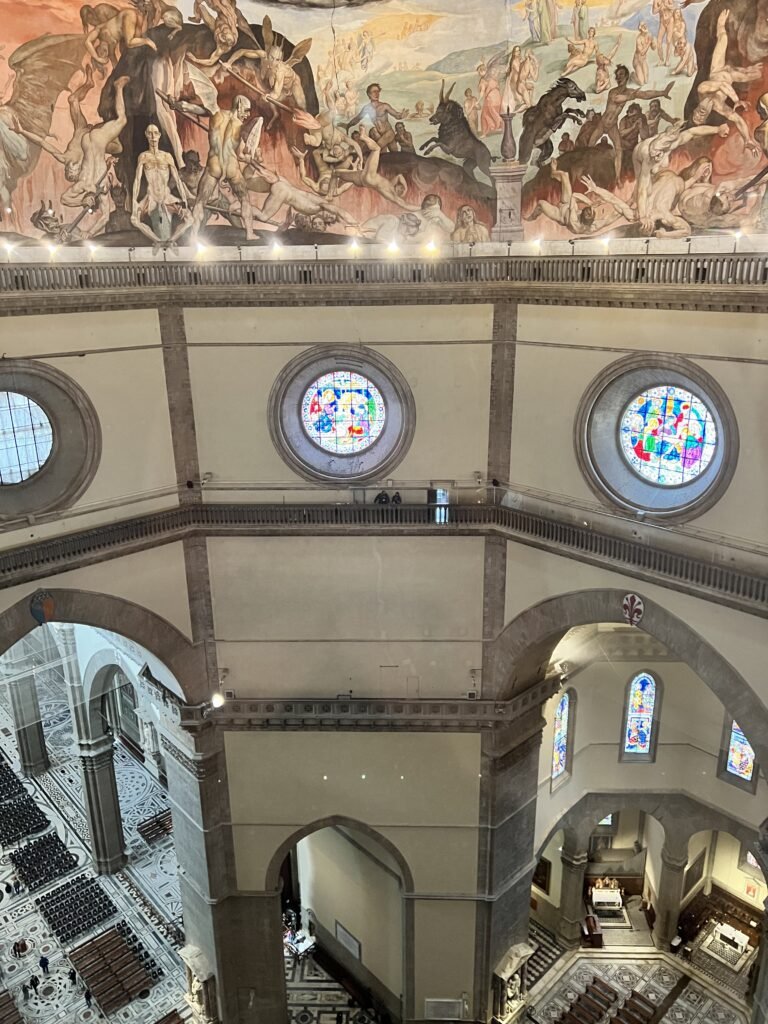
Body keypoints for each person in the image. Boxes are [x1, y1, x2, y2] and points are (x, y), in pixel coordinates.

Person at [163, 92, 257, 241]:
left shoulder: (215, 113)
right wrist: (249, 157)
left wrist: (175, 104)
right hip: (231, 167)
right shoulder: (240, 127)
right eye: (246, 110)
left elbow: (190, 108)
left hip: (214, 166)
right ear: (239, 106)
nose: (247, 115)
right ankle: (250, 233)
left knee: (200, 202)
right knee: (244, 199)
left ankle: (193, 236)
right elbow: (240, 155)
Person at [691, 8, 761, 159]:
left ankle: (720, 24)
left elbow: (722, 86)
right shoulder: (719, 107)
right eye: (701, 119)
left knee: (722, 38)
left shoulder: (702, 90)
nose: (700, 115)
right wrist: (747, 139)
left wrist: (736, 101)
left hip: (718, 69)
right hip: (730, 76)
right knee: (756, 73)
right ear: (706, 117)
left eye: (696, 115)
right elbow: (738, 120)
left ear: (695, 109)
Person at [586, 64, 672, 179]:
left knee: (618, 151)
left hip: (612, 126)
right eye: (617, 75)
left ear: (626, 76)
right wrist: (631, 96)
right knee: (589, 147)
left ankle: (617, 178)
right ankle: (586, 171)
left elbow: (645, 94)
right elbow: (617, 99)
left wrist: (662, 92)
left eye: (621, 75)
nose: (618, 77)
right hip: (602, 124)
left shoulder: (630, 92)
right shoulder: (613, 92)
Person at [344, 83, 408, 152]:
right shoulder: (367, 108)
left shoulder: (384, 106)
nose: (377, 94)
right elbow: (357, 118)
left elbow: (396, 115)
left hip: (389, 133)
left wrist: (401, 115)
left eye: (378, 92)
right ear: (369, 94)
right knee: (394, 155)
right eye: (374, 92)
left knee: (375, 149)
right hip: (380, 135)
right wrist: (348, 125)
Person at [477, 64, 503, 136]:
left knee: (484, 115)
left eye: (479, 72)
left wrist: (478, 101)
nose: (479, 74)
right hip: (497, 97)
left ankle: (485, 133)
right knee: (497, 111)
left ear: (483, 71)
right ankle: (499, 127)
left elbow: (482, 92)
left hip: (490, 98)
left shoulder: (483, 81)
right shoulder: (493, 77)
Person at [632, 22, 656, 86]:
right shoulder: (638, 39)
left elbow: (654, 48)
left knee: (646, 81)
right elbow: (642, 53)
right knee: (641, 83)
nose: (645, 26)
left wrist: (653, 42)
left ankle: (640, 75)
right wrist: (649, 43)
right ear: (640, 28)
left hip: (643, 61)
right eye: (643, 26)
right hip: (637, 62)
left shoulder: (649, 35)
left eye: (645, 25)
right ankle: (633, 75)